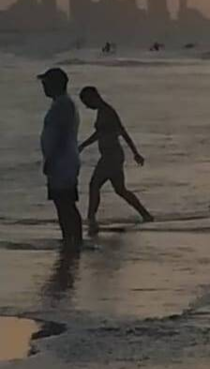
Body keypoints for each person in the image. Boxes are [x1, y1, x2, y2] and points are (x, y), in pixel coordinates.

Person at [78, 86, 153, 233]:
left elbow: (119, 132)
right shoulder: (103, 111)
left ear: (93, 97)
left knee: (94, 185)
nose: (87, 106)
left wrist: (135, 153)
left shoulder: (107, 112)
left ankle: (91, 218)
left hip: (111, 156)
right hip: (113, 156)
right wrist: (135, 153)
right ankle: (145, 214)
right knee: (120, 189)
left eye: (86, 102)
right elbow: (110, 132)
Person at [38, 68, 82, 248]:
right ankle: (69, 240)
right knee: (62, 203)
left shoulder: (63, 105)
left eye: (46, 83)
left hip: (62, 162)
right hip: (61, 161)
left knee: (65, 204)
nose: (44, 87)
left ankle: (74, 240)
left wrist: (50, 159)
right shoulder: (60, 104)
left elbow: (61, 135)